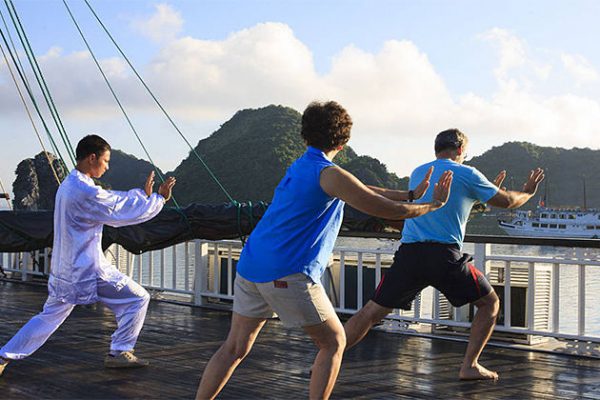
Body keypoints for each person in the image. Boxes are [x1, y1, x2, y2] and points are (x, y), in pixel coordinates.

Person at [196, 101, 453, 400]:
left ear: (305, 135)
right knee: (333, 342)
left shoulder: (303, 165)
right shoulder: (328, 174)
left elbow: (361, 187)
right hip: (287, 272)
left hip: (252, 266)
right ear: (344, 142)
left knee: (234, 347)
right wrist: (432, 205)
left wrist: (410, 193)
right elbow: (381, 206)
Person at [344, 128, 545, 381]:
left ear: (436, 149)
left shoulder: (420, 172)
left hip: (410, 254)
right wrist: (527, 191)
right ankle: (469, 365)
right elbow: (506, 201)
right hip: (443, 256)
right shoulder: (467, 172)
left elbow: (448, 209)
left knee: (371, 312)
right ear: (461, 150)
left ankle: (329, 356)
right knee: (490, 303)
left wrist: (481, 194)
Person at [0, 134, 176, 377]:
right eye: (105, 161)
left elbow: (112, 201)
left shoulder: (71, 184)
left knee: (49, 317)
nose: (107, 166)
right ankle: (119, 351)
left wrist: (142, 197)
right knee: (138, 299)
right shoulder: (83, 191)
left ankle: (3, 356)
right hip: (86, 268)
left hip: (66, 268)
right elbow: (117, 209)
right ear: (92, 157)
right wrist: (157, 199)